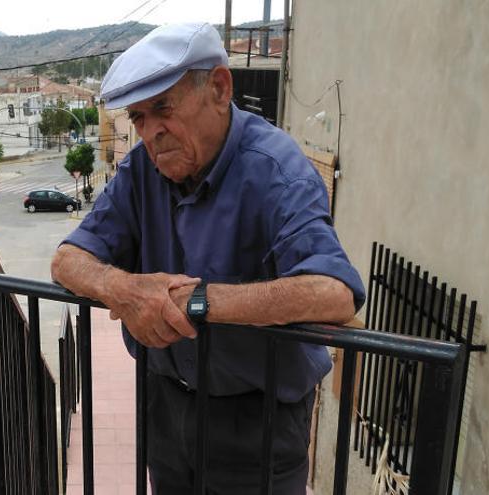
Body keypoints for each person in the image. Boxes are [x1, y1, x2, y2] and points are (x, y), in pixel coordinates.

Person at [50, 23, 365, 494]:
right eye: (138, 117)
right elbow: (67, 260)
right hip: (167, 406)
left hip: (257, 421)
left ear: (219, 88)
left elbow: (334, 292)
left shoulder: (277, 170)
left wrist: (195, 301)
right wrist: (125, 289)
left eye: (163, 107)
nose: (151, 131)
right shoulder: (142, 170)